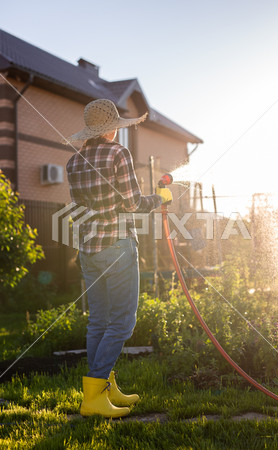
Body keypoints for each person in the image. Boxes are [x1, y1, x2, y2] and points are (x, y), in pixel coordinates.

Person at [65, 99, 172, 418]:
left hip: (88, 249)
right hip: (117, 245)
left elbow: (79, 208)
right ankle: (95, 392)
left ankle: (103, 391)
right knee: (123, 321)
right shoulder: (117, 153)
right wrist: (161, 198)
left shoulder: (74, 161)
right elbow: (134, 203)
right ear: (111, 129)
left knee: (98, 319)